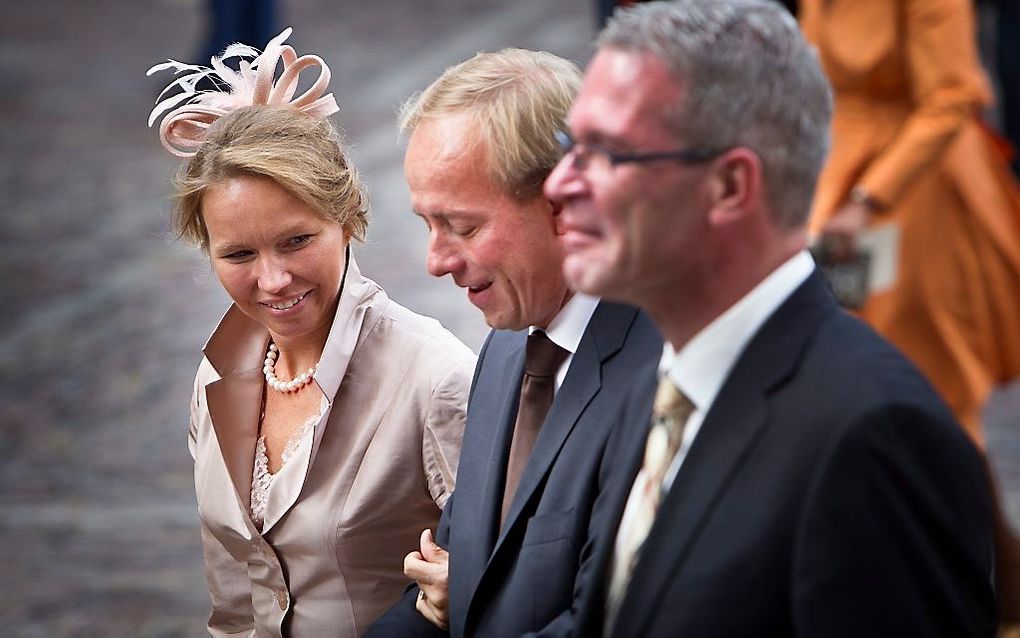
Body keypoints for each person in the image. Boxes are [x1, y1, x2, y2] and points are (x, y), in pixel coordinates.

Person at [544, 1, 996, 635]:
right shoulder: (654, 383)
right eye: (571, 144)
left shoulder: (874, 438)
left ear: (729, 187)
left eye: (608, 152)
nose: (559, 183)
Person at [148, 29, 475, 636]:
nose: (272, 280)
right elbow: (233, 599)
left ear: (347, 217)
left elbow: (508, 584)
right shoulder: (215, 376)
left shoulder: (437, 379)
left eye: (297, 241)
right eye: (238, 254)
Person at [367, 49, 661, 637]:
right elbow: (465, 575)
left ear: (563, 206)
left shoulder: (660, 380)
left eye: (464, 226)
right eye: (428, 223)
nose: (436, 261)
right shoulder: (509, 348)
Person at [800, 0, 1020, 444]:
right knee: (837, 361)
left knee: (928, 370)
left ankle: (950, 504)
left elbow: (951, 98)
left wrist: (868, 198)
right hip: (836, 181)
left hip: (918, 188)